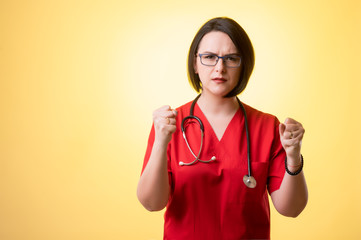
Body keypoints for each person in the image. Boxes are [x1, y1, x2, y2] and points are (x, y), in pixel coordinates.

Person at [137, 17, 308, 239]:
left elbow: (291, 209)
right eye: (209, 57)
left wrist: (293, 157)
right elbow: (152, 203)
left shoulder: (268, 127)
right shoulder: (168, 125)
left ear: (243, 65)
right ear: (195, 64)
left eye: (231, 59)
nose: (220, 68)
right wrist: (161, 143)